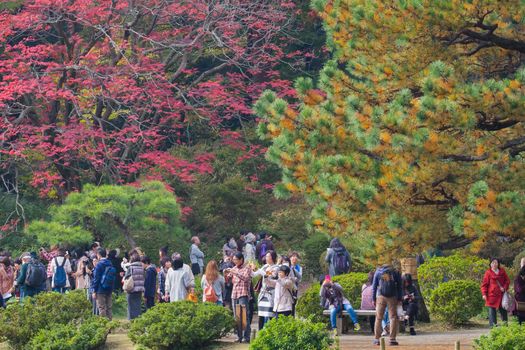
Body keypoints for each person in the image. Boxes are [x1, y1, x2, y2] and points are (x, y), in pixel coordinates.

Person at [225, 252, 254, 343]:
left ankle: (246, 337)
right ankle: (239, 336)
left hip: (243, 294)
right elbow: (228, 281)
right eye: (233, 260)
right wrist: (226, 274)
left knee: (244, 316)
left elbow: (245, 278)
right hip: (234, 294)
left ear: (241, 259)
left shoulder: (247, 268)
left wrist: (235, 272)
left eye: (236, 259)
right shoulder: (234, 268)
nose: (234, 261)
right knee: (236, 316)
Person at [372, 262, 403, 346]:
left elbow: (374, 286)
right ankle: (392, 339)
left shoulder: (378, 271)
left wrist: (373, 299)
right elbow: (400, 286)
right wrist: (400, 298)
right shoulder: (395, 271)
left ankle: (376, 339)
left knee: (378, 318)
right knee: (393, 318)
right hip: (392, 297)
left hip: (380, 297)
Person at [253, 250, 279, 328]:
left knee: (270, 314)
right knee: (261, 315)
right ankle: (260, 332)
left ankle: (271, 332)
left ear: (272, 257)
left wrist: (259, 270)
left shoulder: (276, 268)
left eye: (268, 256)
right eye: (266, 256)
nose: (266, 257)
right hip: (263, 294)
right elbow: (254, 274)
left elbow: (270, 275)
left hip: (270, 294)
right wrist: (251, 269)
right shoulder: (265, 266)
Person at [481, 258, 510, 327]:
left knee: (503, 311)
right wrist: (484, 294)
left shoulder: (502, 271)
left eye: (496, 262)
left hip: (501, 295)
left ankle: (505, 327)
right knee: (492, 313)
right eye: (493, 263)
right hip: (491, 295)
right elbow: (484, 285)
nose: (494, 264)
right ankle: (493, 328)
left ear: (498, 264)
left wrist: (504, 287)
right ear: (490, 264)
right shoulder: (488, 273)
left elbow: (507, 281)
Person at [91, 248, 115, 320]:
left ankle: (104, 325)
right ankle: (110, 325)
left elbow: (96, 279)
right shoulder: (110, 263)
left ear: (99, 255)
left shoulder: (99, 265)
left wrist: (94, 290)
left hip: (100, 289)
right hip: (109, 288)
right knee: (109, 307)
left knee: (102, 307)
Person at [124, 252, 145, 320]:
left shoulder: (131, 267)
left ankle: (131, 321)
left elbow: (126, 277)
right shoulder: (142, 268)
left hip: (131, 289)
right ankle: (138, 320)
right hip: (139, 290)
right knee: (137, 306)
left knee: (131, 307)